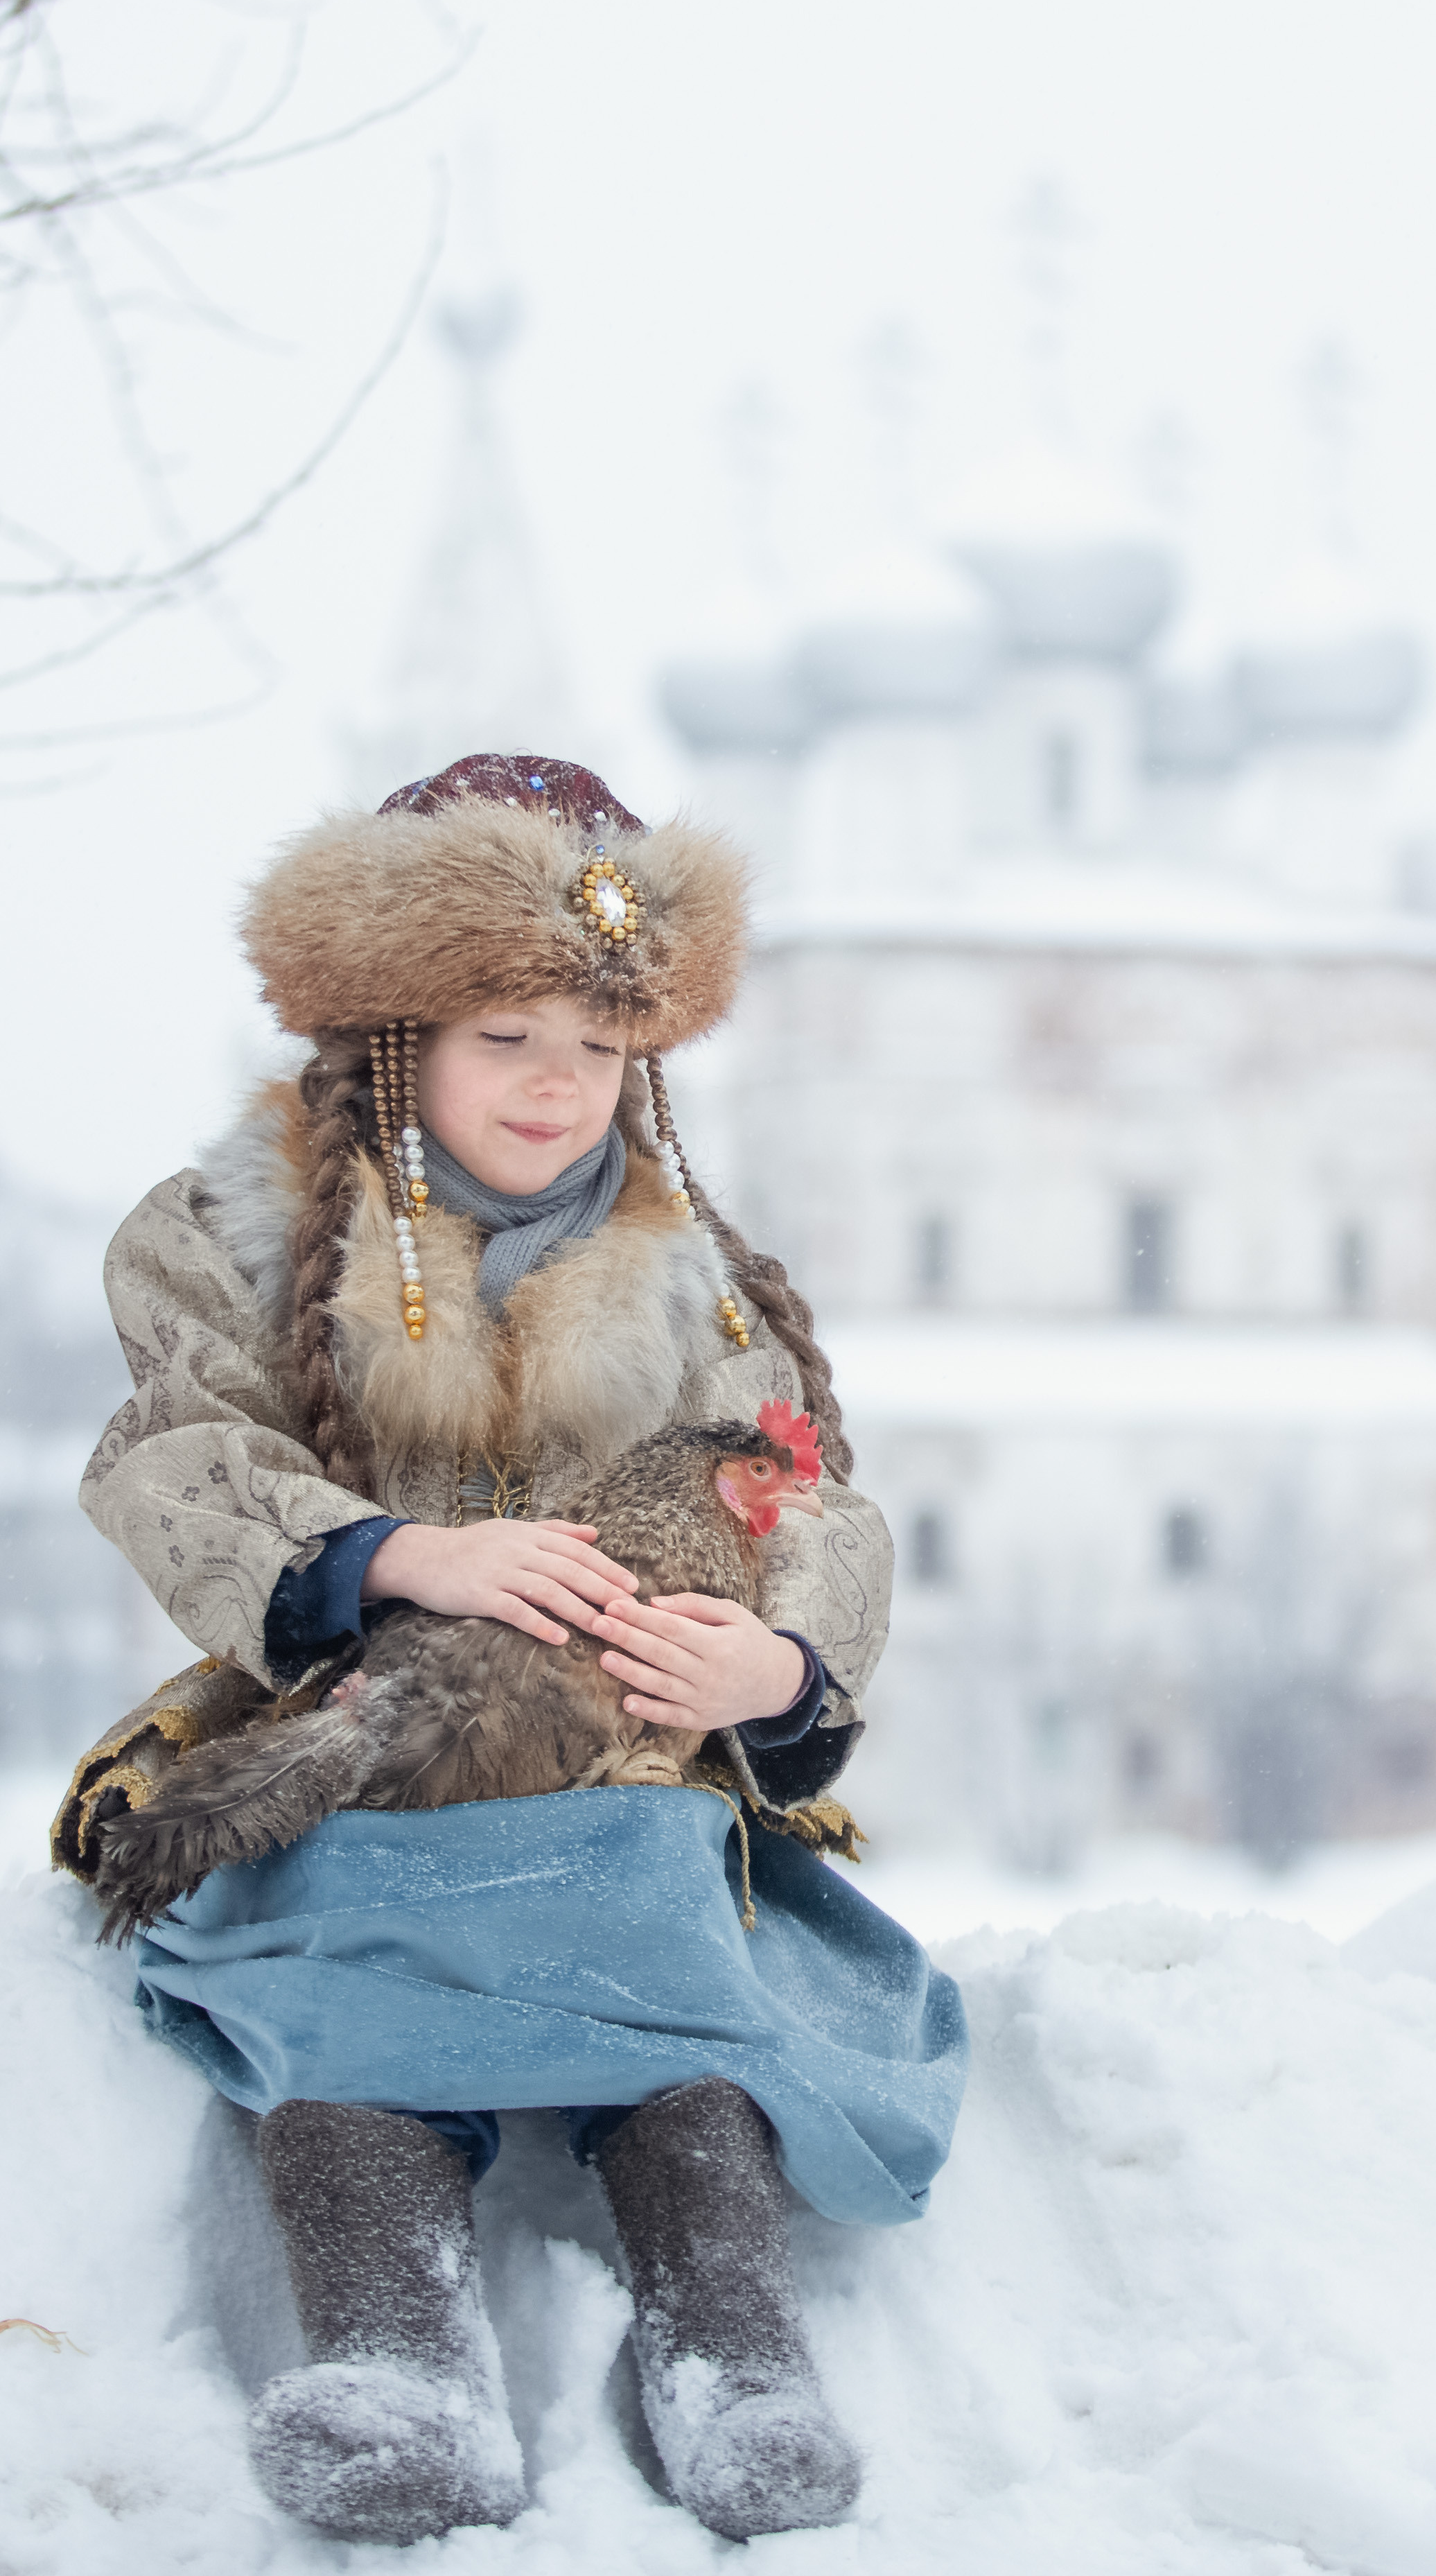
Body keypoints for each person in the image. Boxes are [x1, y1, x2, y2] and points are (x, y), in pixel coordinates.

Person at [55, 752, 968, 2548]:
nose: (559, 1089)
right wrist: (398, 1556)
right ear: (396, 1031)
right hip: (351, 1714)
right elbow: (176, 1454)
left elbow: (814, 1505)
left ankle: (729, 2349)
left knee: (679, 1969)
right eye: (503, 1036)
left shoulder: (695, 1274)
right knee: (346, 1974)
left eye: (597, 1047)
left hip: (625, 1738)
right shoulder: (236, 1233)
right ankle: (400, 2354)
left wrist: (770, 1674)